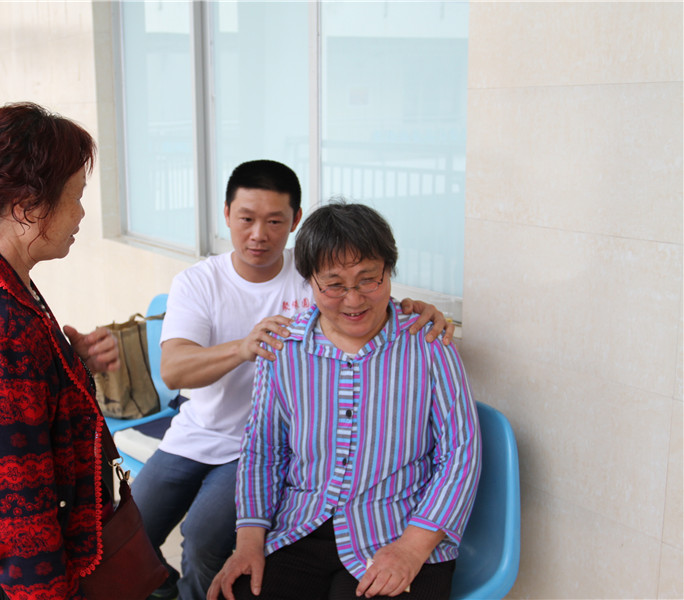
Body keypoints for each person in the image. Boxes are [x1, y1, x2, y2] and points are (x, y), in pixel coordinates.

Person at [133, 160, 455, 600]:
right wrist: (245, 347)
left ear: (294, 220)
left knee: (205, 538)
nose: (258, 234)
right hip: (206, 434)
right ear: (226, 214)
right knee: (128, 530)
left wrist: (415, 310)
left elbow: (361, 292)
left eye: (274, 221)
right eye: (246, 218)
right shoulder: (205, 284)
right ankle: (162, 585)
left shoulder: (325, 282)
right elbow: (176, 373)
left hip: (293, 465)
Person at [207, 201, 481, 600]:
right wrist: (248, 543)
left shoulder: (428, 344)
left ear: (389, 271)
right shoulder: (283, 349)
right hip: (301, 529)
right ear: (309, 281)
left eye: (369, 279)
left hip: (398, 529)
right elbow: (263, 451)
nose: (354, 300)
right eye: (334, 285)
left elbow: (460, 453)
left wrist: (411, 549)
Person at [0, 101, 120, 600]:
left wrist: (69, 361)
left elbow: (19, 409)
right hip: (23, 580)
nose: (81, 214)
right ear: (27, 207)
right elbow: (18, 502)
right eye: (75, 198)